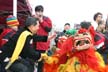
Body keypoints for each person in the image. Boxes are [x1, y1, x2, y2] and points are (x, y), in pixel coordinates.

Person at [34, 5, 52, 72]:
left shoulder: (47, 19)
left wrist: (41, 20)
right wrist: (35, 19)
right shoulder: (32, 18)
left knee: (41, 63)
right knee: (31, 61)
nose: (39, 13)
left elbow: (48, 29)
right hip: (33, 43)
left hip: (42, 45)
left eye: (41, 11)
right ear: (35, 12)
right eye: (38, 11)